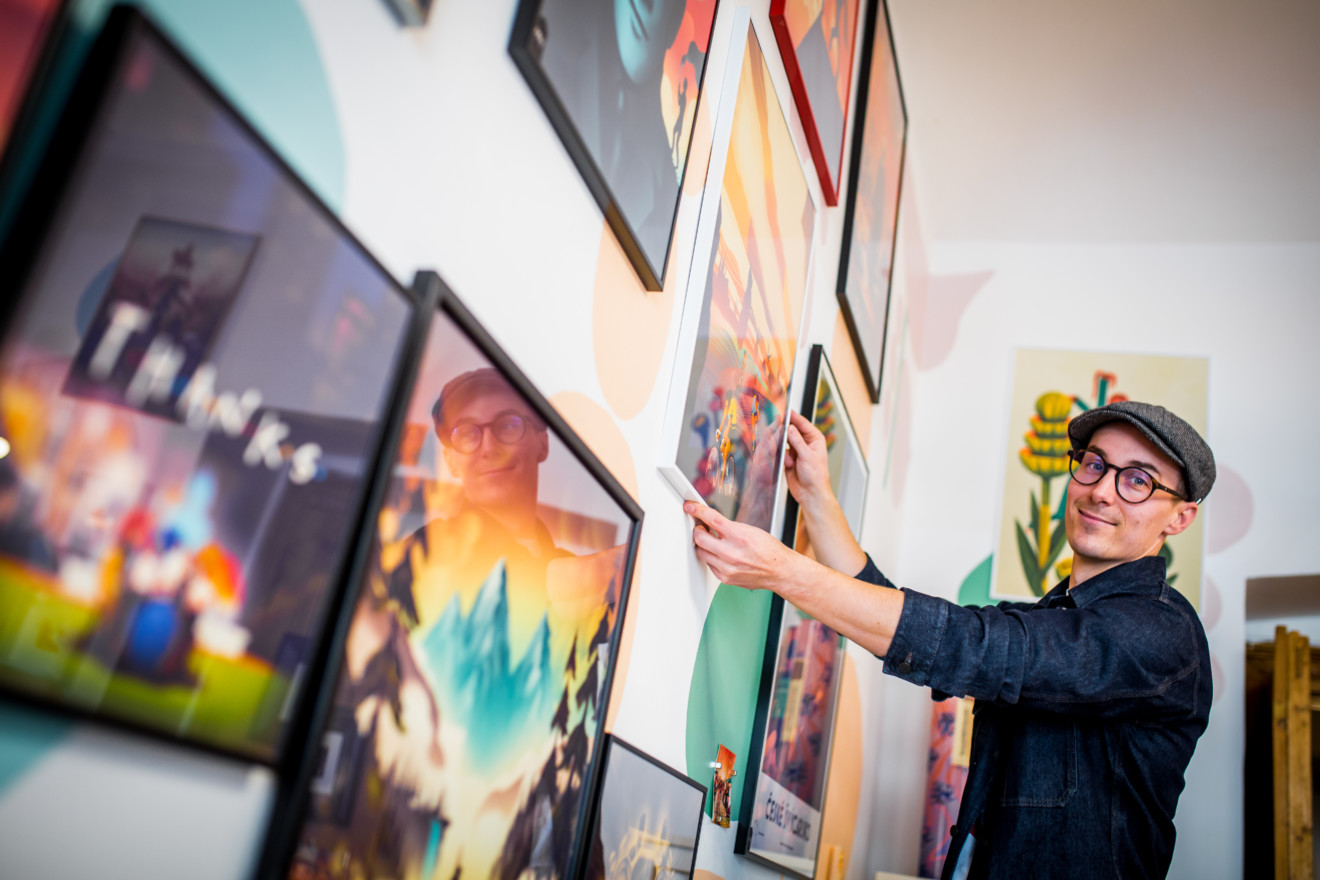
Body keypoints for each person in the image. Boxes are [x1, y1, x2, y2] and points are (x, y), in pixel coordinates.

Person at [684, 400, 1215, 879]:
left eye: (1138, 480)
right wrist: (818, 500)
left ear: (1181, 518)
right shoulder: (1051, 617)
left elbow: (970, 646)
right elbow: (905, 623)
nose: (1101, 490)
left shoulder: (1164, 634)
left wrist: (784, 571)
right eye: (1095, 464)